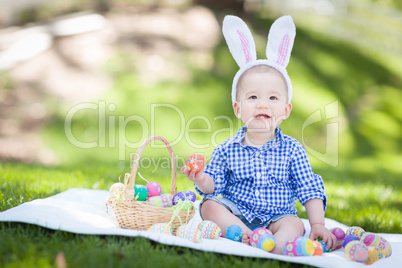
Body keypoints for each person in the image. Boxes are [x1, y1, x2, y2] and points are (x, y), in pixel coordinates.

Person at [181, 15, 336, 254]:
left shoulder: (292, 150)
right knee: (209, 206)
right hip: (238, 211)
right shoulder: (227, 148)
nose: (262, 105)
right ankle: (247, 236)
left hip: (278, 216)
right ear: (238, 108)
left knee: (294, 224)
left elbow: (309, 188)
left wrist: (317, 224)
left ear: (286, 110)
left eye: (273, 98)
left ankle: (276, 244)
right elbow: (214, 185)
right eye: (253, 97)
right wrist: (200, 178)